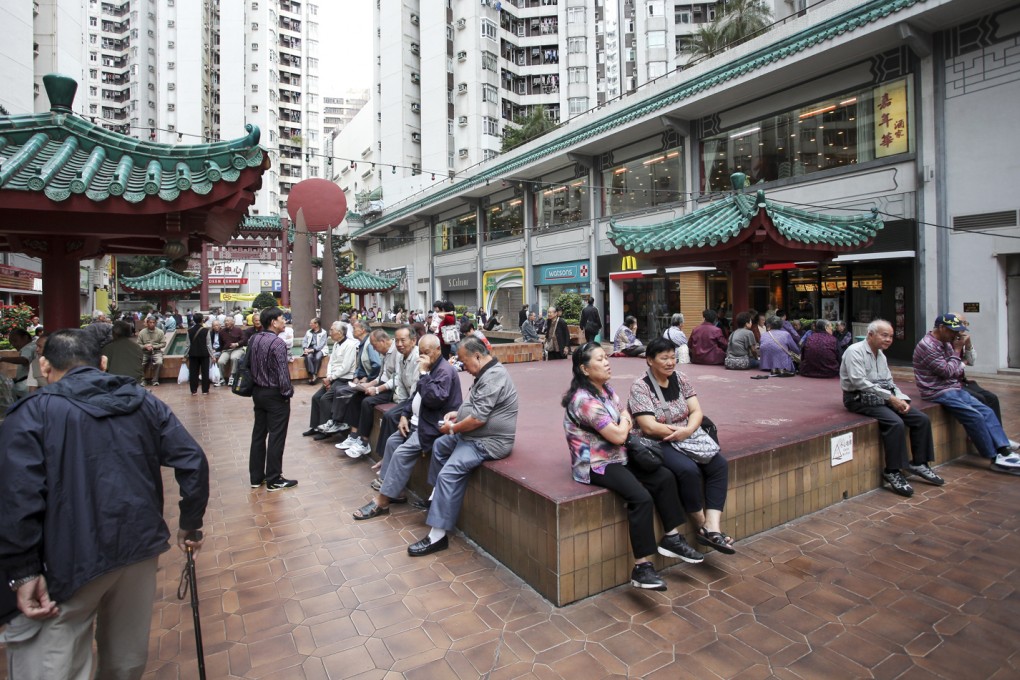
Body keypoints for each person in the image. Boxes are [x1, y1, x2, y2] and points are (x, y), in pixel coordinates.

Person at [0, 329, 208, 679]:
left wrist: (22, 570)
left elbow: (16, 496)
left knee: (55, 664)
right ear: (103, 363)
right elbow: (192, 460)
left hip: (66, 558)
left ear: (45, 365)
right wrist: (190, 523)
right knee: (125, 661)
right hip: (139, 548)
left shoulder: (32, 414)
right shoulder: (145, 402)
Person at [562, 343, 701, 590]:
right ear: (584, 369)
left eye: (606, 358)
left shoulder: (604, 390)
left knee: (664, 477)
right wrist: (625, 423)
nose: (607, 362)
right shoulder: (583, 400)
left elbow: (624, 413)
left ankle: (671, 538)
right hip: (596, 463)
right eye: (600, 359)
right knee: (641, 497)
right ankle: (642, 567)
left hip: (620, 454)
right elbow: (617, 433)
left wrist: (623, 422)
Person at [406, 338, 519, 556]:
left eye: (464, 362)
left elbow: (477, 418)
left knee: (448, 474)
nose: (463, 367)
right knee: (439, 447)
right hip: (472, 435)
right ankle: (436, 497)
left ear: (477, 356)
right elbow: (475, 407)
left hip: (488, 442)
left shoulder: (495, 376)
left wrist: (453, 428)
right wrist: (458, 414)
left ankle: (437, 536)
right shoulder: (485, 372)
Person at [630, 337, 736, 555]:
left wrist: (687, 431)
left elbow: (696, 411)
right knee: (688, 469)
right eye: (664, 358)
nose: (670, 362)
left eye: (673, 357)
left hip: (687, 434)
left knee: (719, 465)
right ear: (650, 360)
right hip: (659, 441)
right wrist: (679, 432)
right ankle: (701, 525)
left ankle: (713, 526)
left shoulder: (682, 378)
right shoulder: (641, 387)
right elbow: (648, 426)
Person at [353, 334, 463, 520]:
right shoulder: (429, 368)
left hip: (431, 426)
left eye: (427, 352)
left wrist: (423, 374)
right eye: (421, 352)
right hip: (415, 423)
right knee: (392, 441)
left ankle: (382, 501)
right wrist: (405, 414)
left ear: (438, 350)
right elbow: (415, 396)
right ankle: (394, 491)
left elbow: (434, 399)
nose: (423, 356)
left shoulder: (444, 371)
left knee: (401, 453)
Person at [840, 320, 942, 497]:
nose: (888, 339)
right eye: (884, 335)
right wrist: (891, 398)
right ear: (870, 335)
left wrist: (900, 399)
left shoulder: (881, 355)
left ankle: (919, 463)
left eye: (891, 336)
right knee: (895, 423)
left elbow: (889, 383)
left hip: (881, 396)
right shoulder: (854, 351)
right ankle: (893, 471)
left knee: (921, 419)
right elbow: (859, 382)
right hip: (858, 398)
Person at [913, 313, 1018, 474]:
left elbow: (957, 369)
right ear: (941, 328)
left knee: (987, 411)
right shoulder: (927, 345)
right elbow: (948, 371)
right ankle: (993, 456)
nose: (956, 334)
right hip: (936, 391)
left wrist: (960, 353)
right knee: (974, 416)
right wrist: (957, 350)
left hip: (953, 387)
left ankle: (1004, 450)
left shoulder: (946, 342)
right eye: (952, 330)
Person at [341, 326, 419, 459]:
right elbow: (389, 377)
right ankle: (355, 436)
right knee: (357, 395)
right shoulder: (395, 355)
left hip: (399, 393)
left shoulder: (411, 356)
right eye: (397, 341)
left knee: (375, 407)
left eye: (403, 341)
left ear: (413, 341)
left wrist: (378, 389)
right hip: (402, 395)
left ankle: (370, 446)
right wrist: (369, 385)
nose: (399, 344)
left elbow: (399, 382)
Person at [247, 307, 298, 491]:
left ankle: (256, 477)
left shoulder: (254, 339)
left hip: (258, 393)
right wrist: (287, 393)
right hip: (275, 395)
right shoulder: (277, 343)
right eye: (281, 318)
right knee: (277, 436)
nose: (284, 321)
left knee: (259, 435)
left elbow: (247, 364)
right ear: (273, 322)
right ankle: (274, 479)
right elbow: (283, 374)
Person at [304, 322, 359, 439]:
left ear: (340, 333)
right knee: (316, 397)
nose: (330, 333)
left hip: (343, 379)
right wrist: (328, 377)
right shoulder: (336, 344)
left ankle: (326, 431)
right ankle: (315, 426)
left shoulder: (350, 345)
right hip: (333, 378)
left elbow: (346, 367)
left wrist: (331, 378)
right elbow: (331, 362)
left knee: (325, 399)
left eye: (332, 330)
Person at [2, 329, 36, 400]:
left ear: (25, 337)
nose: (14, 345)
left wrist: (2, 358)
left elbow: (24, 360)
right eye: (11, 343)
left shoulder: (28, 347)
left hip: (25, 386)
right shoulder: (33, 347)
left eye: (15, 341)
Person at [185, 312, 212, 395]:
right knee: (205, 372)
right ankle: (205, 390)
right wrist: (212, 355)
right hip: (204, 354)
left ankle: (193, 390)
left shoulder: (189, 331)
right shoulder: (206, 331)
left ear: (194, 320)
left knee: (193, 372)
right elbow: (208, 344)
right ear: (202, 320)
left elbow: (187, 345)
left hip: (193, 354)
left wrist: (185, 355)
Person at [138, 316, 167, 386]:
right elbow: (138, 344)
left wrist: (154, 346)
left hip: (156, 352)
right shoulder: (142, 332)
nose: (152, 324)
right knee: (141, 363)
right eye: (150, 323)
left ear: (156, 323)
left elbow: (163, 344)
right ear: (147, 323)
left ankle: (155, 380)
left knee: (159, 362)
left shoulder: (160, 332)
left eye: (153, 323)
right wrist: (145, 346)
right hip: (145, 352)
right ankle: (142, 380)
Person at [218, 316, 246, 386]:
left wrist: (237, 344)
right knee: (220, 361)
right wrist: (220, 350)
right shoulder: (221, 332)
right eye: (225, 321)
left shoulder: (238, 330)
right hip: (226, 350)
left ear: (233, 322)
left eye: (228, 321)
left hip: (238, 349)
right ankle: (222, 379)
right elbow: (221, 344)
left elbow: (244, 340)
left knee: (234, 358)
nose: (226, 323)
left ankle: (232, 376)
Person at [302, 317, 328, 385]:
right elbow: (304, 341)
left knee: (317, 357)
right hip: (309, 348)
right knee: (308, 357)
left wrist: (313, 350)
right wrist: (305, 348)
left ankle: (314, 374)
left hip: (320, 349)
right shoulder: (308, 332)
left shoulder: (324, 332)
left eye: (311, 323)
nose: (310, 324)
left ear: (316, 324)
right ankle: (312, 375)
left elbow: (322, 345)